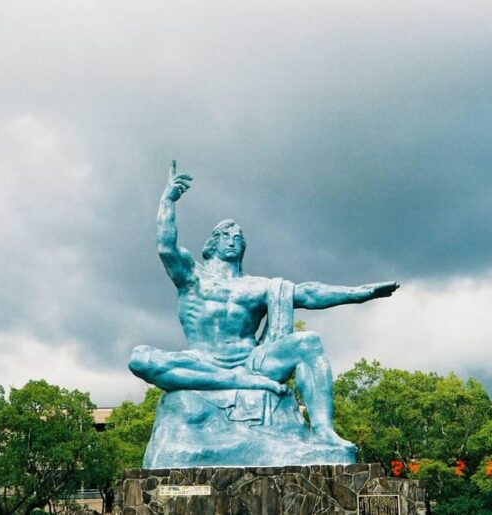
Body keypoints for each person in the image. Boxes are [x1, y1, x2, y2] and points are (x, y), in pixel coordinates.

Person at [129, 161, 398, 445]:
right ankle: (237, 383)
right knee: (140, 358)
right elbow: (165, 247)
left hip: (251, 364)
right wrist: (167, 201)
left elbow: (308, 294)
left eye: (238, 238)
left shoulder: (259, 287)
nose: (232, 241)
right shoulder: (193, 276)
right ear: (212, 244)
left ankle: (323, 431)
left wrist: (361, 293)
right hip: (201, 361)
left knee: (308, 343)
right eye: (225, 236)